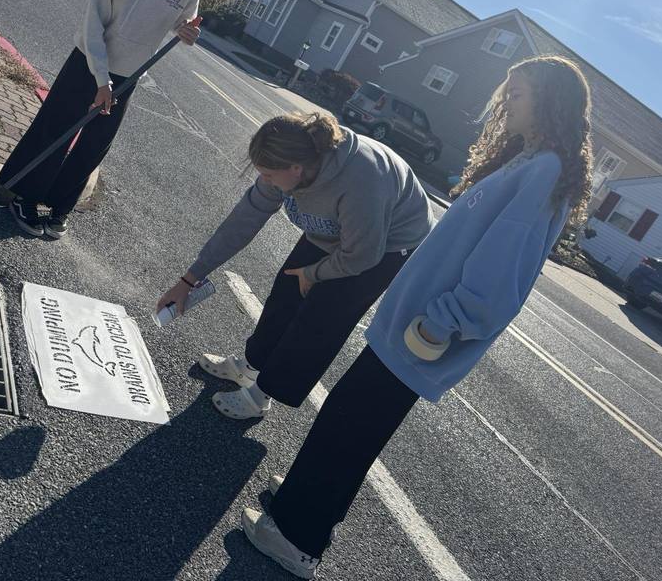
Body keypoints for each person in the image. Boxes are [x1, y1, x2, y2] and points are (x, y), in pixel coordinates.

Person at [238, 55, 593, 578]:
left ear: (551, 104)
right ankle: (298, 508)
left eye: (518, 94)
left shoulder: (544, 172)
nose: (506, 102)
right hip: (412, 325)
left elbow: (499, 273)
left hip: (425, 332)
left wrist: (439, 323)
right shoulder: (530, 161)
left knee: (350, 427)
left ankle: (298, 539)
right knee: (347, 421)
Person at [157, 112, 435, 421]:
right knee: (286, 292)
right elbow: (245, 219)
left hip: (387, 244)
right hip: (340, 229)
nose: (265, 181)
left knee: (320, 317)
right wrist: (190, 279)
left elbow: (362, 256)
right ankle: (251, 366)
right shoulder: (288, 166)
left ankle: (261, 395)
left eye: (270, 175)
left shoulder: (361, 181)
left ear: (296, 169)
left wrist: (314, 273)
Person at [0, 0, 205, 239]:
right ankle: (25, 197)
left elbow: (182, 22)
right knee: (57, 128)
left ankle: (60, 207)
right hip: (88, 61)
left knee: (94, 144)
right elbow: (94, 19)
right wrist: (100, 79)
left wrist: (185, 32)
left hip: (128, 75)